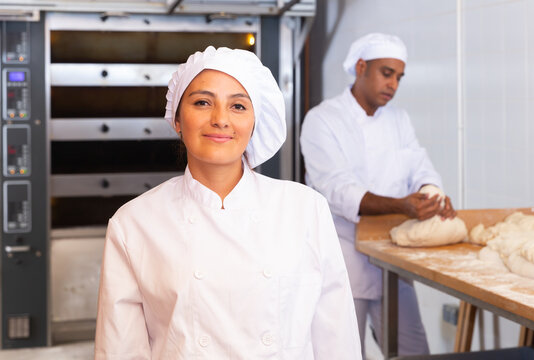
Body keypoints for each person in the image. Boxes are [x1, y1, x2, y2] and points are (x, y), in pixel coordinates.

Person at [95, 46, 361, 359]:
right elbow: (120, 350)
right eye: (203, 102)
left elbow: (336, 336)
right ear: (178, 119)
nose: (221, 119)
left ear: (254, 121)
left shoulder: (304, 209)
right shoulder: (134, 224)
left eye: (237, 106)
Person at [300, 33, 457, 357]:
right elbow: (336, 188)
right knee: (342, 352)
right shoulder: (323, 119)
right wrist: (402, 206)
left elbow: (418, 162)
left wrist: (433, 193)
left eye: (399, 77)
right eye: (387, 73)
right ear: (360, 67)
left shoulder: (398, 119)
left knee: (414, 351)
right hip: (343, 257)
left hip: (394, 255)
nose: (394, 85)